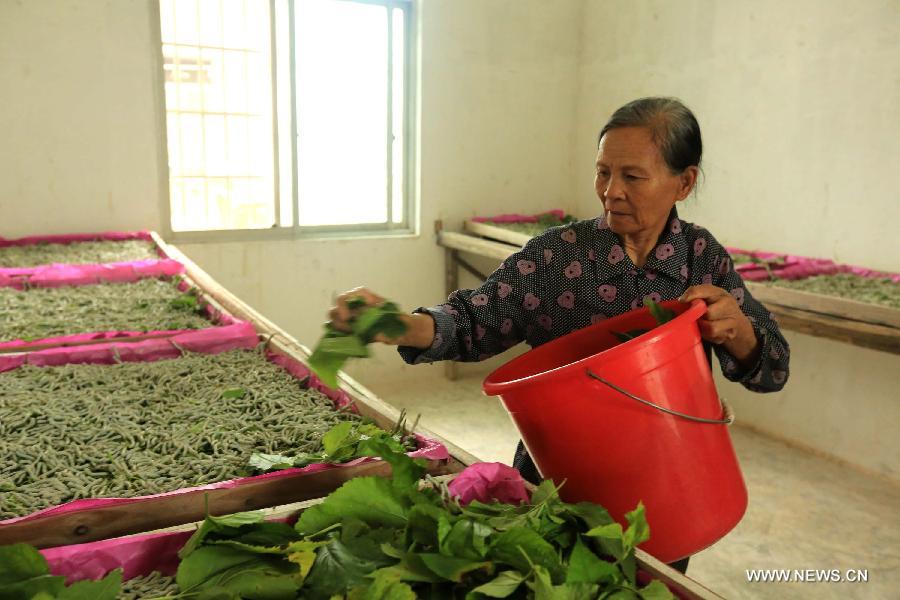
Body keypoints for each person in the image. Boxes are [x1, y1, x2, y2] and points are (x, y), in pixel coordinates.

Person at [328, 97, 790, 574]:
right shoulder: (558, 256)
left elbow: (772, 369)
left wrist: (738, 332)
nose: (611, 191)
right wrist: (398, 324)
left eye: (632, 176)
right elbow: (474, 321)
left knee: (648, 578)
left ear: (684, 182)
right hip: (559, 481)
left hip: (666, 483)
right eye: (602, 172)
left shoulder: (701, 258)